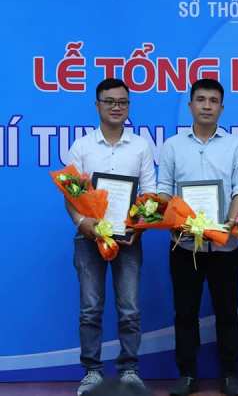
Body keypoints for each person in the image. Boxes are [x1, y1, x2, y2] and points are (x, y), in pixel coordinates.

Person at [157, 79, 238, 396]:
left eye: (213, 100)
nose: (207, 106)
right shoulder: (172, 146)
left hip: (225, 245)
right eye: (201, 99)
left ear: (221, 108)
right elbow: (164, 190)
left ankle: (230, 375)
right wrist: (174, 218)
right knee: (185, 313)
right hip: (184, 245)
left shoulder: (235, 145)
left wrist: (229, 221)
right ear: (190, 105)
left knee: (228, 312)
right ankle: (187, 375)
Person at [66, 78, 155, 395]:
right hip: (89, 239)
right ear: (97, 105)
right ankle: (92, 372)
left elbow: (149, 194)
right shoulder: (82, 146)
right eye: (110, 101)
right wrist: (82, 223)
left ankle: (129, 370)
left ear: (128, 106)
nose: (117, 107)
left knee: (129, 309)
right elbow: (71, 194)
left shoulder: (141, 146)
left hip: (128, 240)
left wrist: (138, 227)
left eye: (123, 102)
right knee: (90, 308)